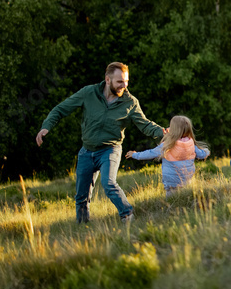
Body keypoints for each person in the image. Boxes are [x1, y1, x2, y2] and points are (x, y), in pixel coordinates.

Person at [35, 62, 167, 224]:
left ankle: (127, 216)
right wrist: (46, 127)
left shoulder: (130, 102)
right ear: (107, 80)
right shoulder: (88, 93)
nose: (124, 86)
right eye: (120, 82)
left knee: (109, 183)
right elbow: (60, 109)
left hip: (110, 150)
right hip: (87, 151)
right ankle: (83, 228)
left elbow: (145, 125)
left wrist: (162, 132)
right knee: (81, 196)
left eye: (126, 81)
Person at [126, 115, 210, 196]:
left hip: (171, 184)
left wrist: (135, 154)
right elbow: (202, 154)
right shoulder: (191, 144)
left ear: (174, 130)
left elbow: (150, 153)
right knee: (184, 202)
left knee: (171, 204)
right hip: (186, 182)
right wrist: (207, 151)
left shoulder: (168, 145)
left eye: (171, 127)